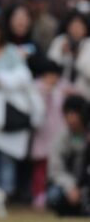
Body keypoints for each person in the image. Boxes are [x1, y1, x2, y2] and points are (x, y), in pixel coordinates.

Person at [0, 17, 44, 201]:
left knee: (7, 154)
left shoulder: (10, 52)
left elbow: (24, 76)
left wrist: (3, 81)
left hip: (9, 110)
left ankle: (6, 192)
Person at [30, 57, 72, 210]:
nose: (52, 78)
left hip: (60, 133)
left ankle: (54, 196)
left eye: (54, 75)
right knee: (41, 167)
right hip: (43, 133)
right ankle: (39, 195)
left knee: (58, 166)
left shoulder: (63, 86)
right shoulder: (36, 86)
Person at [47, 95, 90, 216]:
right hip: (69, 186)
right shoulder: (61, 139)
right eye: (67, 114)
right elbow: (55, 170)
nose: (70, 118)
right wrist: (71, 187)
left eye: (74, 114)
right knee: (54, 196)